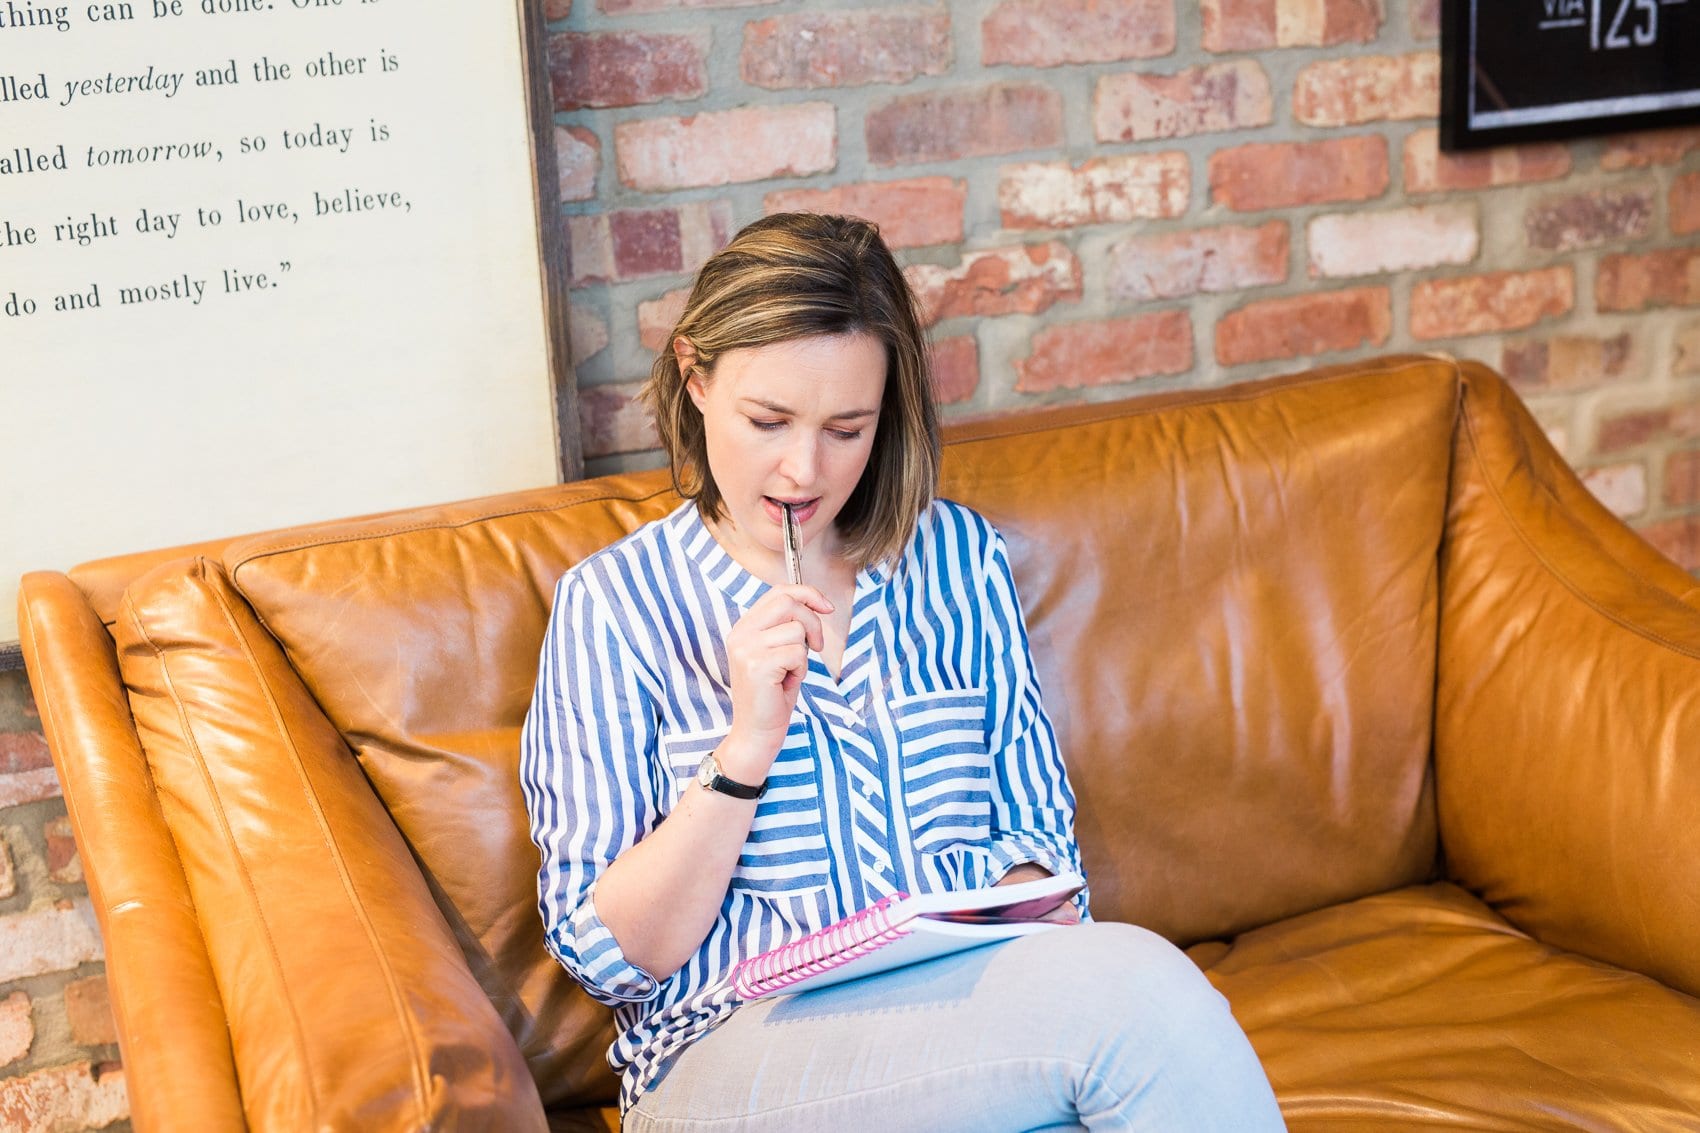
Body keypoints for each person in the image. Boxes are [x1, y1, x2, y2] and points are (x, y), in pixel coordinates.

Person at [520, 212, 1286, 1131]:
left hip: (968, 1021)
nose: (803, 469)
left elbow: (1044, 840)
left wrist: (1005, 905)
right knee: (1146, 1000)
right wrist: (746, 745)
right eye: (768, 420)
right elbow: (606, 954)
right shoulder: (614, 606)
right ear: (694, 373)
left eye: (847, 428)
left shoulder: (955, 560)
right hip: (727, 1053)